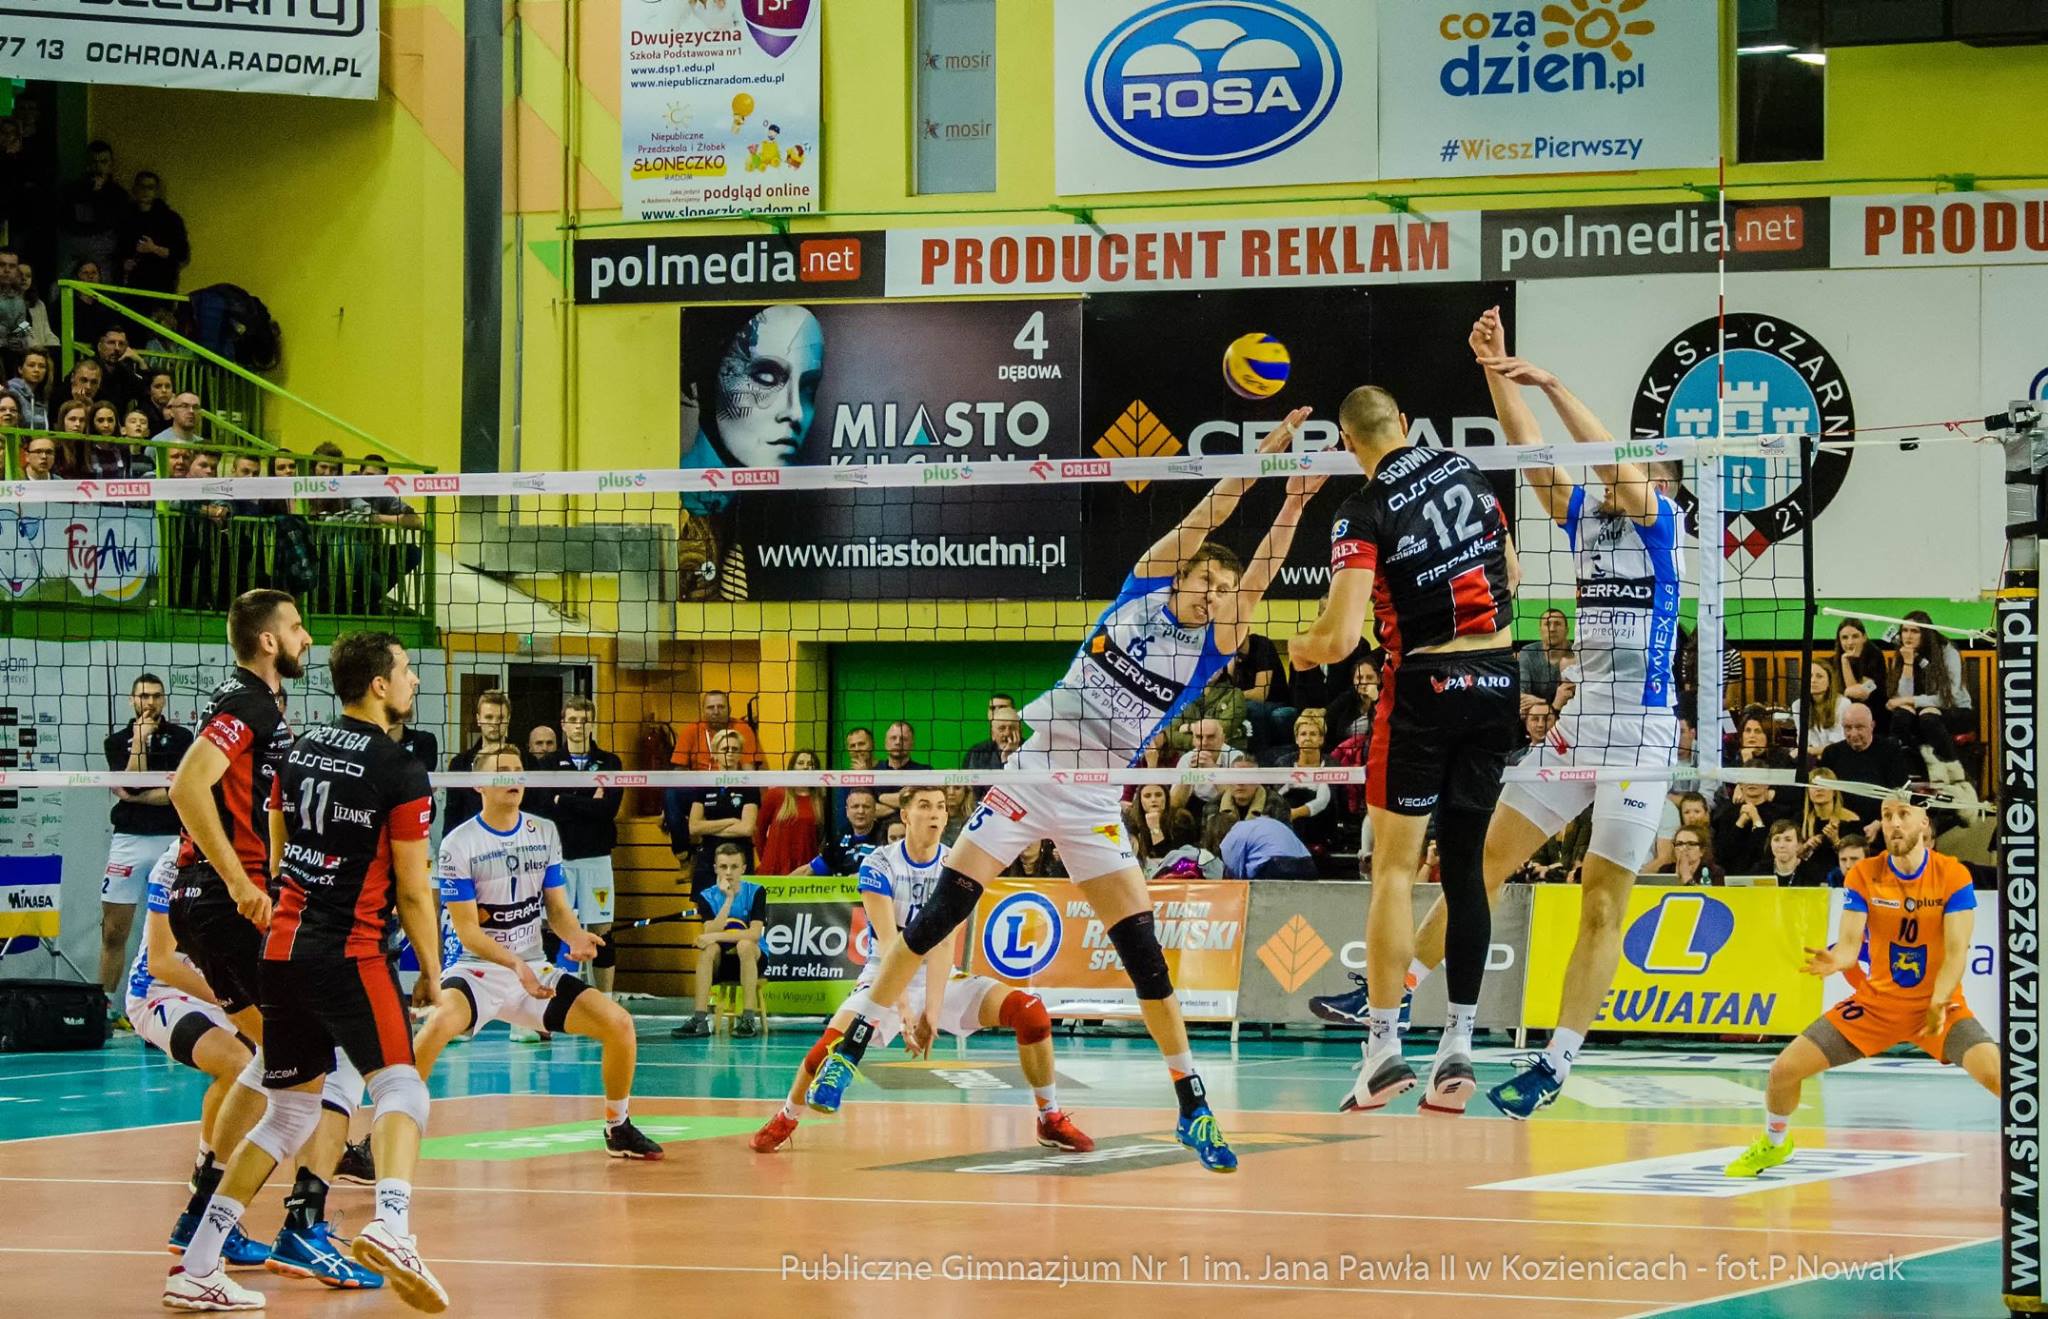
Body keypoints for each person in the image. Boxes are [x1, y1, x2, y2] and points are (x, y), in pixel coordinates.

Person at [805, 410, 1327, 1175]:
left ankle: (1192, 1104)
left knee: (1146, 957)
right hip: (1032, 770)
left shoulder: (1214, 646)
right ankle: (852, 1047)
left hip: (1092, 799)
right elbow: (1206, 515)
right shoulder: (1142, 587)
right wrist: (1261, 461)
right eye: (1206, 581)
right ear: (1182, 576)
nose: (1216, 593)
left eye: (1223, 588)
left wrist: (1297, 501)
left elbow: (1262, 574)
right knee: (941, 909)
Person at [1404, 317, 1686, 1122]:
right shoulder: (1587, 518)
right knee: (1480, 860)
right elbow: (1529, 450)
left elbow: (1612, 460)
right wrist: (1494, 369)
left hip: (1641, 735)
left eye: (1640, 470)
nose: (1622, 477)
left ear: (1661, 484)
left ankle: (1556, 1061)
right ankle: (1393, 988)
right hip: (1580, 720)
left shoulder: (1662, 522)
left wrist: (1556, 383)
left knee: (1601, 900)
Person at [163, 631, 447, 1313]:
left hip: (282, 948)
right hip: (350, 951)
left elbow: (276, 846)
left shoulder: (298, 749)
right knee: (402, 1087)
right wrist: (433, 973)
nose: (412, 680)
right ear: (378, 684)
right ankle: (394, 1224)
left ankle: (198, 1263)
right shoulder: (401, 770)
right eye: (406, 670)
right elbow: (414, 890)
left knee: (288, 1111)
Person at [1288, 318, 1522, 1118]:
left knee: (1393, 871)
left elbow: (1341, 637)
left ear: (1349, 443)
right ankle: (1459, 1045)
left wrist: (1300, 646)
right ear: (1407, 426)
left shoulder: (1361, 509)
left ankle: (1384, 1047)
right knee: (1465, 869)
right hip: (1498, 677)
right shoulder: (1463, 467)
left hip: (1425, 686)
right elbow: (1512, 572)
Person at [752, 788, 1094, 1155]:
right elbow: (890, 947)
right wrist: (903, 1010)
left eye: (941, 808)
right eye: (925, 806)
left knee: (1031, 1012)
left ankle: (1049, 1117)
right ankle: (787, 1116)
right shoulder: (879, 864)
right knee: (827, 1049)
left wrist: (931, 1012)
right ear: (905, 815)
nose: (934, 814)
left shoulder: (957, 866)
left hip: (941, 976)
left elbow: (945, 944)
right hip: (884, 976)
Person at [1726, 798, 1998, 1178]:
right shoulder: (1865, 874)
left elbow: (1956, 953)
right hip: (1876, 1006)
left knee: (2001, 1078)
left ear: (1924, 823)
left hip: (1937, 1008)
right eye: (1887, 816)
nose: (1894, 823)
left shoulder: (1952, 875)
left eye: (1903, 815)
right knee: (1782, 1071)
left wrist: (1938, 999)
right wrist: (1838, 959)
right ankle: (1775, 1143)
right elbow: (1850, 945)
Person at [412, 747, 663, 1159]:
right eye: (502, 771)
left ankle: (617, 1127)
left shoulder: (543, 832)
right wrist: (514, 964)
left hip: (533, 969)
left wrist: (576, 937)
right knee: (436, 1027)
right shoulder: (459, 843)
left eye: (518, 770)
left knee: (619, 1023)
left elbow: (557, 909)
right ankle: (385, 1134)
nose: (513, 778)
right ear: (478, 785)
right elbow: (467, 931)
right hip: (479, 970)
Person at [126, 849, 273, 1273]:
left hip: (225, 989)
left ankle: (213, 1190)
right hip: (163, 994)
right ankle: (207, 1185)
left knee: (285, 1069)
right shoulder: (172, 863)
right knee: (238, 1064)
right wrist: (231, 1000)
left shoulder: (256, 851)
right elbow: (162, 962)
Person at [678, 303, 826, 600]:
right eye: (766, 377)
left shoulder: (784, 523)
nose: (795, 412)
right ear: (698, 383)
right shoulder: (677, 508)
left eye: (808, 387)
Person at [99, 673, 195, 1020]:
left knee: (179, 931)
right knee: (113, 930)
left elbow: (177, 792)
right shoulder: (116, 741)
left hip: (172, 840)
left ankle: (175, 1003)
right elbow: (134, 784)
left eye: (156, 696)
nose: (150, 702)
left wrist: (137, 796)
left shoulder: (182, 738)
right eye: (143, 696)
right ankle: (104, 1008)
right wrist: (139, 740)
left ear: (164, 699)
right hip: (128, 840)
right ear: (132, 700)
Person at [528, 696, 624, 993]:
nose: (578, 726)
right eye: (572, 720)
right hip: (559, 857)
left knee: (602, 932)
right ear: (563, 724)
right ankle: (546, 997)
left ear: (592, 723)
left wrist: (564, 799)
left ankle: (606, 1001)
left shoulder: (610, 762)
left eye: (584, 720)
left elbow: (608, 810)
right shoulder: (547, 763)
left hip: (596, 857)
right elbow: (544, 808)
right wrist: (585, 801)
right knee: (550, 929)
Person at [673, 844, 766, 1038]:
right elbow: (710, 931)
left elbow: (754, 934)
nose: (729, 872)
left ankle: (748, 1019)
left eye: (734, 866)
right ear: (716, 868)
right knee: (709, 950)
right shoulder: (706, 896)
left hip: (752, 960)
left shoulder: (756, 892)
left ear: (743, 868)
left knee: (745, 945)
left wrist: (714, 937)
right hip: (721, 963)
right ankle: (700, 1019)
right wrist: (728, 900)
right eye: (724, 867)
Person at [1886, 610, 1974, 768]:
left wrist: (1909, 700)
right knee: (1901, 716)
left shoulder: (1948, 652)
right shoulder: (1902, 652)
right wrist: (1908, 663)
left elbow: (1948, 698)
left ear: (1925, 633)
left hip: (1954, 709)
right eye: (1905, 630)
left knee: (1928, 718)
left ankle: (1953, 769)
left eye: (1915, 631)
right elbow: (1902, 697)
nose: (1908, 636)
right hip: (1921, 709)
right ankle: (1909, 771)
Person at [1818, 704, 1915, 843]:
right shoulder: (1831, 753)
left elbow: (1900, 793)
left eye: (1859, 727)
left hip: (1881, 824)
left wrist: (1879, 823)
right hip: (1841, 825)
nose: (1853, 734)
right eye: (1848, 728)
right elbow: (1822, 793)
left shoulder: (1890, 751)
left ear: (1872, 726)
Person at [679, 729, 760, 889]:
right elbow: (694, 827)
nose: (730, 753)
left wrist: (708, 827)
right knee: (706, 904)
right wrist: (731, 821)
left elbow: (746, 829)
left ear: (740, 754)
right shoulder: (704, 784)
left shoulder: (749, 785)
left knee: (739, 904)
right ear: (715, 754)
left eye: (735, 749)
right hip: (709, 857)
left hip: (739, 858)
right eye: (725, 749)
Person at [444, 689, 522, 834]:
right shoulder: (459, 764)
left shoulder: (525, 761)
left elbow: (534, 809)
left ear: (508, 719)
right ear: (478, 719)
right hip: (471, 840)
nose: (494, 723)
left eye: (500, 718)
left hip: (515, 838)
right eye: (489, 717)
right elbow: (452, 814)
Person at [1167, 717, 1251, 821]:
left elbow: (1236, 799)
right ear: (1193, 740)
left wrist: (1212, 769)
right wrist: (1189, 774)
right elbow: (1175, 804)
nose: (1204, 743)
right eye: (1199, 737)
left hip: (1228, 807)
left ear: (1223, 739)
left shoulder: (1236, 757)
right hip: (1197, 806)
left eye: (1211, 737)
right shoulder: (1187, 759)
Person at [756, 749, 824, 877]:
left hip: (805, 871)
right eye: (801, 763)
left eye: (810, 764)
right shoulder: (776, 795)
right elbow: (759, 830)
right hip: (773, 869)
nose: (805, 767)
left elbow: (821, 838)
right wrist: (766, 859)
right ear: (792, 767)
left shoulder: (820, 801)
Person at [670, 688, 764, 769]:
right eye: (710, 707)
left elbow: (749, 769)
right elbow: (679, 769)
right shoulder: (690, 731)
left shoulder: (742, 729)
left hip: (733, 780)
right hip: (699, 782)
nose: (716, 712)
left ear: (729, 709)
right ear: (703, 711)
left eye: (721, 707)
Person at [1798, 770, 1863, 885]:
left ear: (1834, 791)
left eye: (1824, 784)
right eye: (1814, 785)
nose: (1819, 789)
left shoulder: (1851, 820)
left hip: (1842, 881)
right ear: (1808, 791)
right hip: (1807, 882)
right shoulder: (1800, 820)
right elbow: (1791, 856)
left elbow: (1859, 859)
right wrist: (1805, 847)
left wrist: (1836, 841)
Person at [1220, 809, 1317, 880]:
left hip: (1276, 867)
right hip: (1307, 864)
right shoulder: (1269, 822)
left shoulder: (1233, 834)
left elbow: (1235, 873)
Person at [1832, 617, 1889, 724]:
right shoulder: (1837, 659)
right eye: (1844, 638)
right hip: (1848, 709)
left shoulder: (1875, 655)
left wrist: (1847, 692)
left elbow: (1861, 693)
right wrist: (1845, 661)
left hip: (1874, 709)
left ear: (1864, 637)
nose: (1850, 642)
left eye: (1855, 636)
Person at [1519, 608, 1574, 713]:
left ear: (1566, 631)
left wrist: (1540, 702)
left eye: (1557, 624)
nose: (1552, 629)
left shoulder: (1577, 653)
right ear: (1540, 630)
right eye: (1547, 624)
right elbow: (1522, 696)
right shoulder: (1528, 653)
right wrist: (1548, 703)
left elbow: (1575, 698)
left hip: (1568, 714)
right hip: (1537, 714)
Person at [1801, 659, 1852, 755]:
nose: (1813, 680)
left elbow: (1839, 745)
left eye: (1819, 676)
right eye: (1809, 676)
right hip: (1812, 757)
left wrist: (1812, 751)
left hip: (1838, 756)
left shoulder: (1843, 704)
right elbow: (1805, 741)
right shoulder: (1798, 705)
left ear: (1829, 682)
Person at [962, 695, 1019, 773]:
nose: (996, 712)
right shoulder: (976, 753)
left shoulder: (1030, 750)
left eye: (1002, 708)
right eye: (992, 708)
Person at [1765, 819, 1808, 885]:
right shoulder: (1758, 871)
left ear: (1799, 844)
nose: (1781, 845)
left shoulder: (1813, 873)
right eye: (1776, 840)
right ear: (1770, 844)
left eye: (1788, 840)